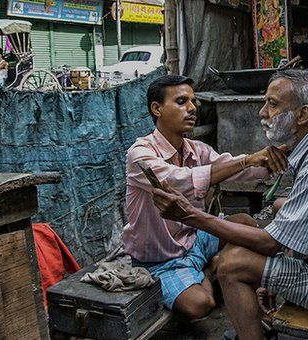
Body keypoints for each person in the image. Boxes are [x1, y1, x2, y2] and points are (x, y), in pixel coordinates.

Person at [152, 70, 308, 340]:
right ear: (156, 110)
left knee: (231, 263)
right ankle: (259, 323)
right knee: (267, 217)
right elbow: (299, 233)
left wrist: (192, 216)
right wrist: (273, 275)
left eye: (273, 104)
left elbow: (271, 243)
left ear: (302, 115)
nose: (263, 113)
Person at [123, 74, 288, 319]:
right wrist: (246, 159)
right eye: (181, 102)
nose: (191, 108)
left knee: (244, 222)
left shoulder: (195, 149)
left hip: (193, 240)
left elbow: (234, 169)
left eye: (193, 102)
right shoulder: (140, 154)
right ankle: (211, 268)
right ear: (157, 109)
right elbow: (179, 180)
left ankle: (218, 270)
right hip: (160, 260)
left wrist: (272, 159)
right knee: (200, 304)